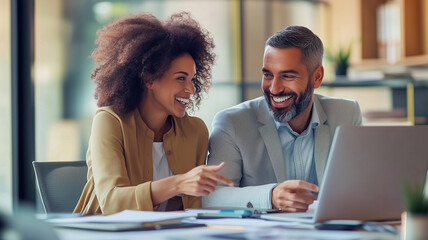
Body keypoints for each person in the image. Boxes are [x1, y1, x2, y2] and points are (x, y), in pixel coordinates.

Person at [74, 12, 233, 215]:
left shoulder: (195, 131)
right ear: (149, 78)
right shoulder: (110, 121)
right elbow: (112, 202)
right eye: (180, 78)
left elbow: (194, 209)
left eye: (192, 79)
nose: (191, 89)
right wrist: (178, 183)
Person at [202, 26, 362, 212]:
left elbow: (362, 186)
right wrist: (271, 196)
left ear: (317, 77)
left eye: (287, 76)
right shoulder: (231, 123)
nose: (274, 88)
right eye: (268, 75)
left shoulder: (347, 113)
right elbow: (212, 196)